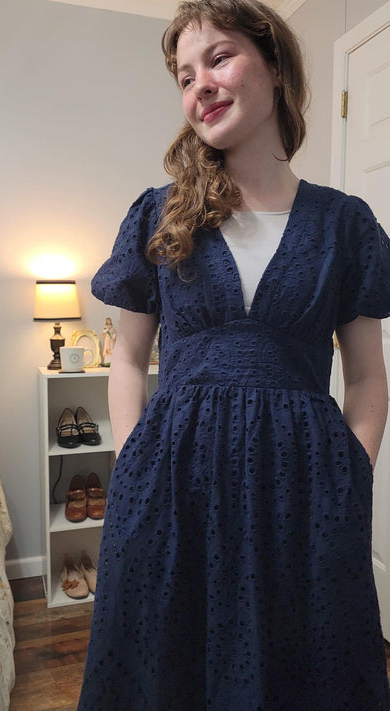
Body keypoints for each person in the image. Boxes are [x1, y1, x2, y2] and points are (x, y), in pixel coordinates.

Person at [78, 1, 390, 709]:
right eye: (185, 77)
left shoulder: (345, 224)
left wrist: (351, 477)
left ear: (275, 65)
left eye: (218, 58)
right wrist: (133, 470)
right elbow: (128, 358)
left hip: (306, 498)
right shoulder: (159, 214)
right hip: (171, 491)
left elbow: (368, 376)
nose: (200, 87)